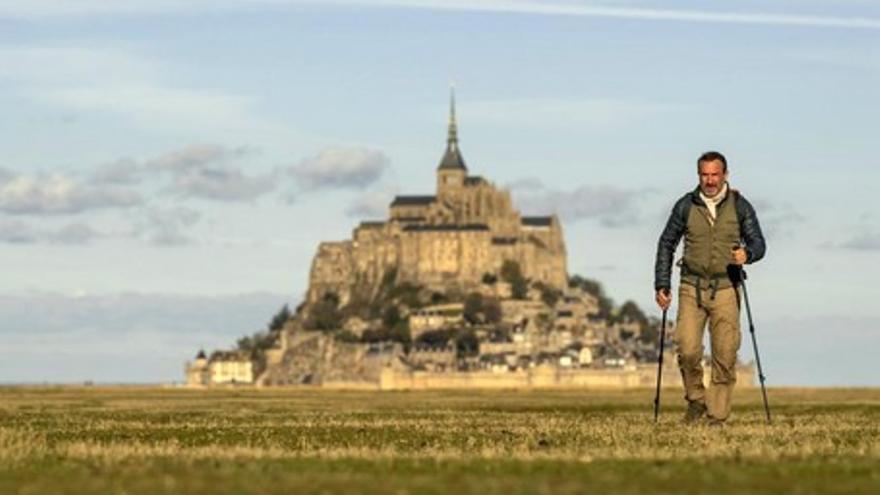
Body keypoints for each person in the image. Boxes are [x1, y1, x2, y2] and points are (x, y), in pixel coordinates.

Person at [654, 151, 766, 425]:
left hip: (727, 287)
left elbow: (759, 243)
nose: (710, 180)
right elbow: (667, 243)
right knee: (688, 349)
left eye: (715, 174)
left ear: (725, 175)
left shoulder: (741, 206)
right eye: (705, 175)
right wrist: (662, 284)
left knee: (725, 354)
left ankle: (717, 416)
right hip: (691, 286)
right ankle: (696, 401)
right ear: (698, 176)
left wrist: (747, 254)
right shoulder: (685, 205)